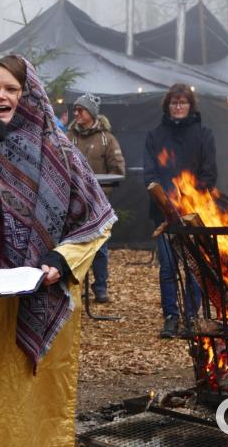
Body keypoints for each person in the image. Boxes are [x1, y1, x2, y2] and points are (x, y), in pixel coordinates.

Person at [0, 55, 116, 446]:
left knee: (39, 402)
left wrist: (59, 262)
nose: (1, 96)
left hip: (43, 292)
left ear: (28, 94)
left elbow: (97, 222)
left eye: (10, 89)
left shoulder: (62, 153)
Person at [143, 83, 217, 338]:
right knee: (168, 266)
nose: (178, 107)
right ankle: (171, 317)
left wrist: (189, 198)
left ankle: (190, 317)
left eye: (182, 102)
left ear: (190, 105)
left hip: (194, 213)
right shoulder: (155, 136)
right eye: (174, 103)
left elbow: (209, 173)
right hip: (164, 213)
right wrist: (166, 201)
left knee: (194, 267)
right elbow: (150, 174)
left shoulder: (204, 134)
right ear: (168, 106)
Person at [67, 93, 126, 303]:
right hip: (71, 204)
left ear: (91, 113)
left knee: (100, 247)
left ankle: (100, 287)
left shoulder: (107, 140)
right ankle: (70, 287)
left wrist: (99, 193)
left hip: (98, 204)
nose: (76, 113)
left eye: (80, 110)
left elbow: (118, 171)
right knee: (70, 246)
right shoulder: (67, 137)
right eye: (75, 110)